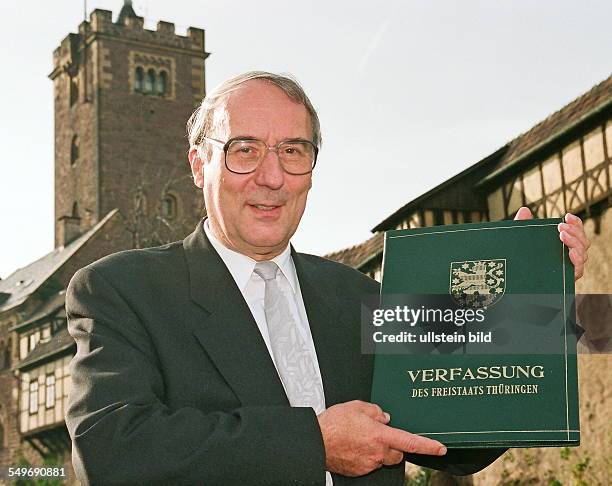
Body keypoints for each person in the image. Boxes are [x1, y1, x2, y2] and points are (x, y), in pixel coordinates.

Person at [65, 71, 590, 485]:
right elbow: (113, 451)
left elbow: (460, 440)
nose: (272, 177)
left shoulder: (363, 297)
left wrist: (527, 296)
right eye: (244, 150)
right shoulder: (122, 290)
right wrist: (313, 444)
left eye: (293, 151)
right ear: (199, 165)